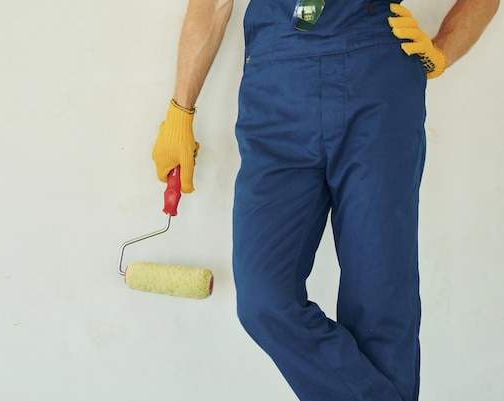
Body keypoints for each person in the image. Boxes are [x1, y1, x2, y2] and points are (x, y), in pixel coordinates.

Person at [151, 1, 499, 400]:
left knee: (379, 308)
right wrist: (180, 110)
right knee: (263, 300)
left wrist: (442, 51)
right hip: (275, 96)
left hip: (376, 83)